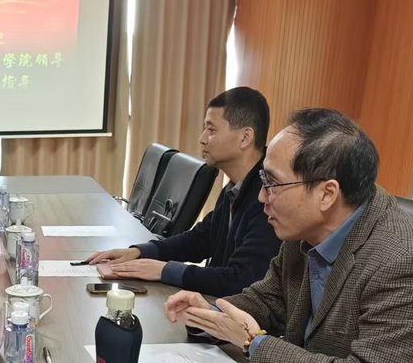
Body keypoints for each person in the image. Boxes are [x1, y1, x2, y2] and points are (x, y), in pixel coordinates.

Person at [165, 108, 413, 363]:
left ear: (326, 193)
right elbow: (267, 299)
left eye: (272, 183)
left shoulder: (404, 261)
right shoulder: (305, 229)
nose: (261, 197)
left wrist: (254, 344)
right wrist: (212, 313)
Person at [86, 87, 281, 297]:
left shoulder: (268, 199)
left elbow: (240, 280)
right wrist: (140, 251)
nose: (202, 139)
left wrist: (163, 270)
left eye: (211, 130)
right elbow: (200, 239)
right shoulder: (236, 187)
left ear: (245, 137)